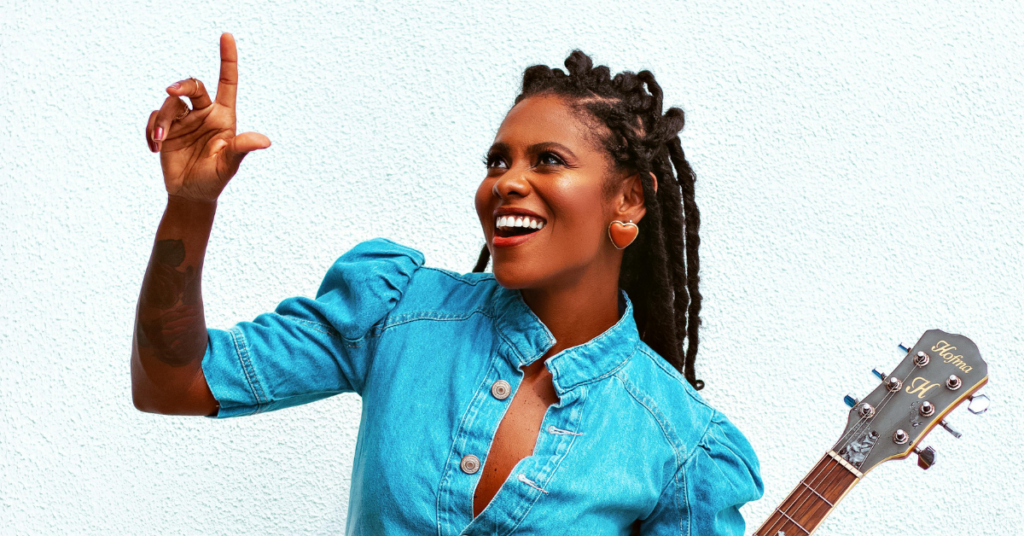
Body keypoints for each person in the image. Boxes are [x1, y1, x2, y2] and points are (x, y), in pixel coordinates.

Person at [132, 32, 763, 535]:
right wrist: (191, 203)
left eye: (547, 159)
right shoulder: (396, 311)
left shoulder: (682, 442)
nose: (506, 183)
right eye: (497, 161)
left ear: (628, 199)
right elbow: (172, 382)